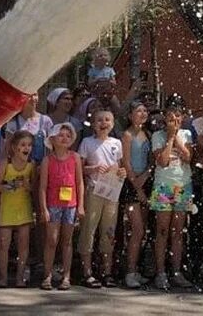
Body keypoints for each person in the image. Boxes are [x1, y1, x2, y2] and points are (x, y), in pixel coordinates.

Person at [78, 109, 125, 288]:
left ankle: (107, 272)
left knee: (109, 230)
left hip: (111, 192)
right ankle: (87, 272)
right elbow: (81, 168)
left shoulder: (116, 143)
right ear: (93, 124)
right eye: (99, 120)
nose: (103, 123)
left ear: (112, 123)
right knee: (89, 229)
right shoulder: (87, 142)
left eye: (107, 119)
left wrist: (121, 172)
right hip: (94, 191)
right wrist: (94, 168)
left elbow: (119, 167)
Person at [150, 102, 194, 290]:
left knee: (177, 232)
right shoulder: (157, 136)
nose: (174, 122)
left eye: (177, 118)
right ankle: (161, 272)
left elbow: (188, 157)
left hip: (182, 185)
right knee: (162, 230)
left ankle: (176, 271)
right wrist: (169, 139)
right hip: (163, 186)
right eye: (170, 119)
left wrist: (176, 137)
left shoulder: (187, 135)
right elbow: (163, 161)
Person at [37, 122, 83, 290]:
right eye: (61, 135)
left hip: (70, 205)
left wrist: (81, 206)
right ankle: (47, 274)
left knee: (67, 241)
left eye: (68, 135)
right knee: (52, 240)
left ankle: (66, 276)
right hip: (53, 204)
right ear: (53, 139)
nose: (64, 138)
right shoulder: (47, 160)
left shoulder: (75, 157)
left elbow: (79, 183)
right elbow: (42, 187)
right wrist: (44, 209)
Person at [0, 129, 37, 288]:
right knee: (4, 243)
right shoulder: (6, 163)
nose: (27, 148)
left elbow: (34, 187)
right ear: (14, 147)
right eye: (23, 144)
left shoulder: (32, 165)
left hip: (23, 208)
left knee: (23, 244)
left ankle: (19, 278)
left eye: (29, 145)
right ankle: (3, 277)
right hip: (7, 208)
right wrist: (10, 185)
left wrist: (28, 186)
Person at [120, 100, 153, 288]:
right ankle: (130, 271)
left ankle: (137, 268)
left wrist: (147, 175)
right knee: (137, 229)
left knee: (142, 231)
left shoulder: (147, 134)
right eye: (138, 111)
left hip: (146, 182)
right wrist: (137, 187)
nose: (142, 114)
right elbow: (127, 163)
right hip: (132, 186)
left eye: (144, 110)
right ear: (130, 115)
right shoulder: (127, 135)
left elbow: (150, 162)